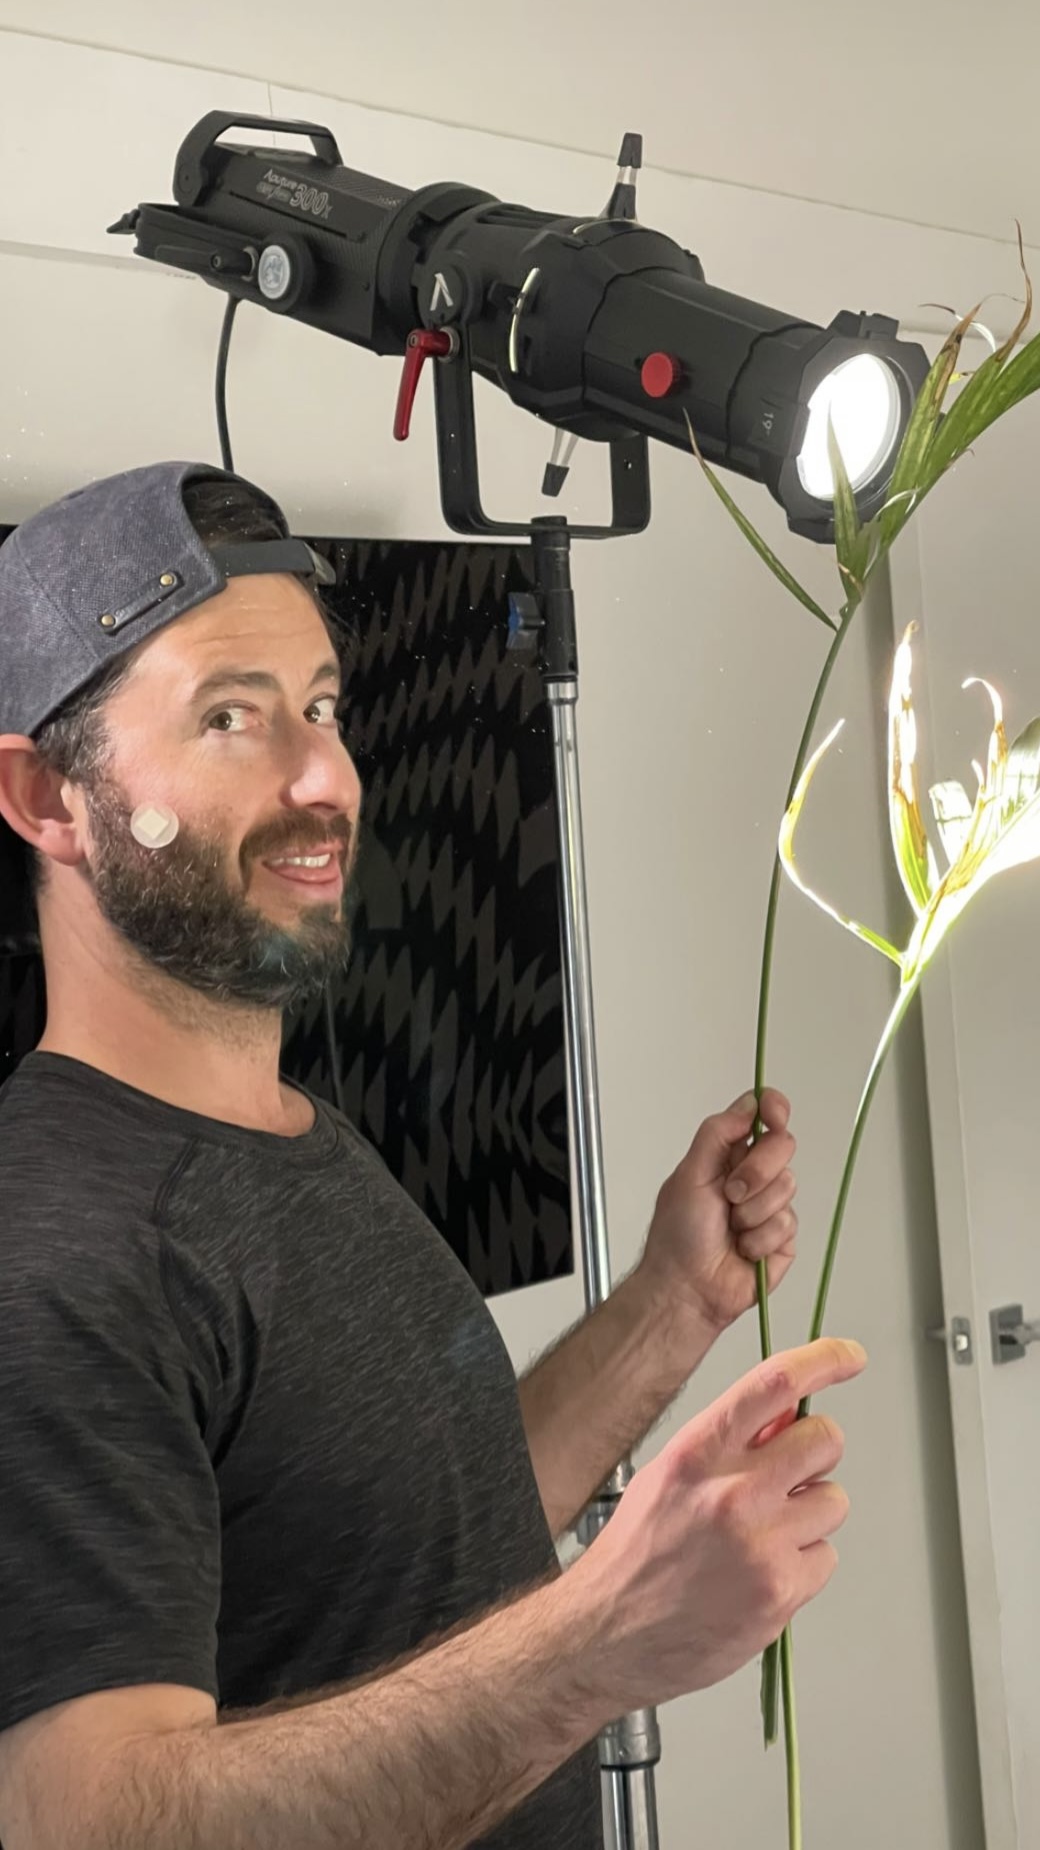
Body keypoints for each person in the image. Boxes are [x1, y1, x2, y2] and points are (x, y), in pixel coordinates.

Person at [0, 461, 866, 1850]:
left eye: (324, 707)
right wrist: (599, 1638)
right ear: (50, 797)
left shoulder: (297, 1135)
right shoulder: (59, 1246)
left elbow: (423, 1544)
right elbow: (85, 1817)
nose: (323, 775)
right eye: (231, 715)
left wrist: (670, 1298)